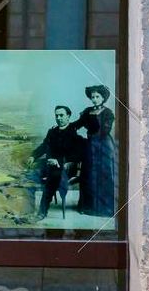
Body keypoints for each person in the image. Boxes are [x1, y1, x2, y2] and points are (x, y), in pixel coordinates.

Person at [29, 105, 84, 220]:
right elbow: (44, 146)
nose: (58, 118)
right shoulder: (52, 131)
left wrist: (58, 161)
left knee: (53, 177)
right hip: (50, 165)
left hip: (67, 167)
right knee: (31, 175)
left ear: (68, 116)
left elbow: (76, 155)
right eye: (56, 115)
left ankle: (42, 212)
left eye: (61, 115)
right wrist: (33, 156)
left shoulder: (74, 133)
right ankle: (28, 209)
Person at [73, 84, 117, 218]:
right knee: (88, 174)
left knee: (104, 175)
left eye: (97, 97)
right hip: (91, 146)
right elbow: (77, 124)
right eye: (93, 97)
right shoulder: (87, 111)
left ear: (103, 98)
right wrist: (67, 127)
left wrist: (91, 135)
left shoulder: (108, 113)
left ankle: (104, 208)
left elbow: (104, 130)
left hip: (104, 146)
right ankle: (87, 206)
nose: (95, 99)